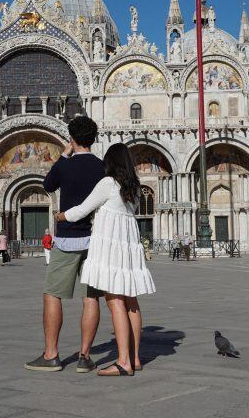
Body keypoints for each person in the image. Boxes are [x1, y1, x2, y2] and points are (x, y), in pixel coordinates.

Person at [55, 143, 156, 376]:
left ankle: (123, 362)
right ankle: (135, 358)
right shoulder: (134, 187)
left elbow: (82, 209)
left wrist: (62, 215)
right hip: (128, 249)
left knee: (114, 301)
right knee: (131, 301)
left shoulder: (108, 183)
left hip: (111, 250)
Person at [24, 116, 105, 374]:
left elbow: (47, 185)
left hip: (68, 237)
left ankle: (51, 355)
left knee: (53, 294)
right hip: (95, 239)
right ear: (93, 138)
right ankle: (84, 357)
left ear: (71, 139)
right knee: (90, 297)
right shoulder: (102, 167)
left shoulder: (65, 166)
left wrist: (63, 156)